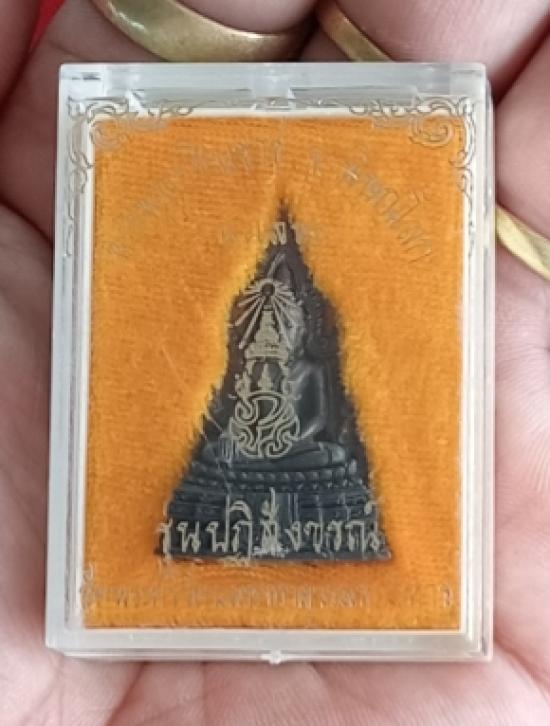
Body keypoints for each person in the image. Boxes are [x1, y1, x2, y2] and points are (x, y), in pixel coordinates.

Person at [0, 0, 548, 723]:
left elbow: (311, 388)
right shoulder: (251, 328)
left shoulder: (309, 353)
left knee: (304, 407)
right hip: (227, 468)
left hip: (310, 453)